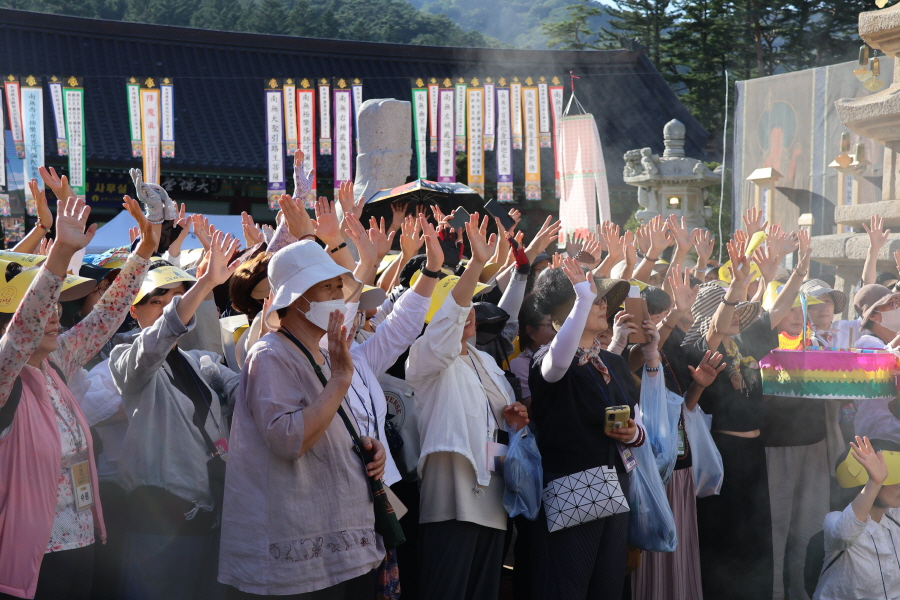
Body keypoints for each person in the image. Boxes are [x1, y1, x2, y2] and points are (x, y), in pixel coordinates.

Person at [219, 212, 444, 598]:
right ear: (296, 299)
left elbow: (329, 422)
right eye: (327, 288)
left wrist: (366, 446)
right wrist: (340, 379)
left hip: (344, 541)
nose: (339, 296)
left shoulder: (325, 353)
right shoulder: (269, 355)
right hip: (299, 552)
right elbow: (289, 439)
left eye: (340, 286)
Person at [0, 196, 154, 600]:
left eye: (57, 305)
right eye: (43, 305)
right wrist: (61, 253)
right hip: (32, 559)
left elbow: (104, 317)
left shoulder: (56, 363)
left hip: (81, 541)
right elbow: (21, 333)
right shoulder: (4, 376)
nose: (54, 314)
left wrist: (145, 254)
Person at [111, 230, 242, 600]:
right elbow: (158, 339)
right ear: (132, 311)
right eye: (157, 300)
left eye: (176, 297)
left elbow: (250, 390)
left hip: (211, 513)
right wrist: (203, 284)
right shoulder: (126, 360)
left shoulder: (200, 362)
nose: (169, 306)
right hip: (159, 519)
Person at [406, 214, 529, 600]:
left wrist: (515, 419)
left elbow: (504, 420)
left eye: (470, 305)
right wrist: (475, 264)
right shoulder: (424, 356)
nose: (468, 313)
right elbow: (446, 329)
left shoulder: (486, 361)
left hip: (495, 493)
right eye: (457, 308)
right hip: (452, 497)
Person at [527, 257, 653, 600]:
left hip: (616, 487)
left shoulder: (611, 361)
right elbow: (558, 363)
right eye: (591, 299)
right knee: (566, 587)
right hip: (572, 489)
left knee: (608, 588)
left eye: (599, 299)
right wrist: (583, 298)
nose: (602, 306)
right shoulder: (547, 358)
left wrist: (633, 434)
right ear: (564, 312)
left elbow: (639, 424)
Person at [814, 436, 900, 599]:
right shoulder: (834, 520)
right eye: (891, 476)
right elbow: (845, 533)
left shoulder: (894, 516)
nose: (899, 483)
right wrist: (875, 483)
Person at [509, 297, 555, 408]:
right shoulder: (520, 365)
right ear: (530, 331)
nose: (559, 330)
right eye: (551, 325)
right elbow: (533, 408)